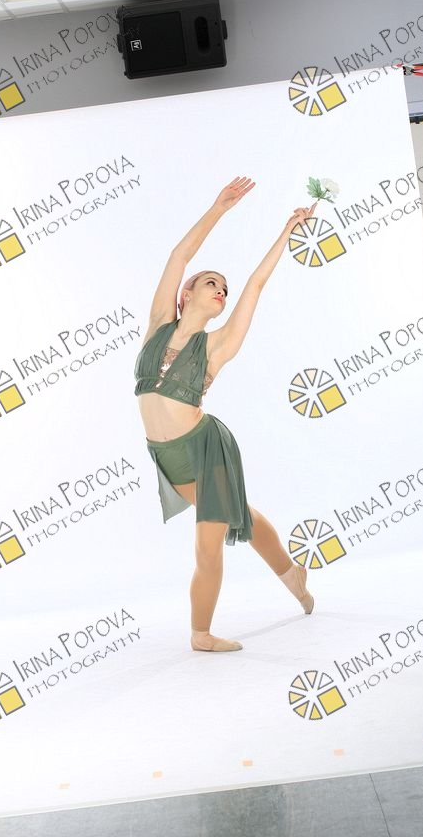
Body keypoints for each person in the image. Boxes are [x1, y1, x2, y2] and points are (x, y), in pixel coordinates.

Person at [134, 176, 316, 652]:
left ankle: (201, 634)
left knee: (208, 542)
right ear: (186, 294)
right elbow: (179, 256)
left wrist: (288, 231)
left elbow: (256, 283)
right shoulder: (158, 323)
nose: (221, 290)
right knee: (243, 516)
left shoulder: (217, 345)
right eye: (211, 283)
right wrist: (219, 208)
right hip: (167, 456)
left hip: (207, 449)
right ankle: (293, 575)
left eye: (224, 289)